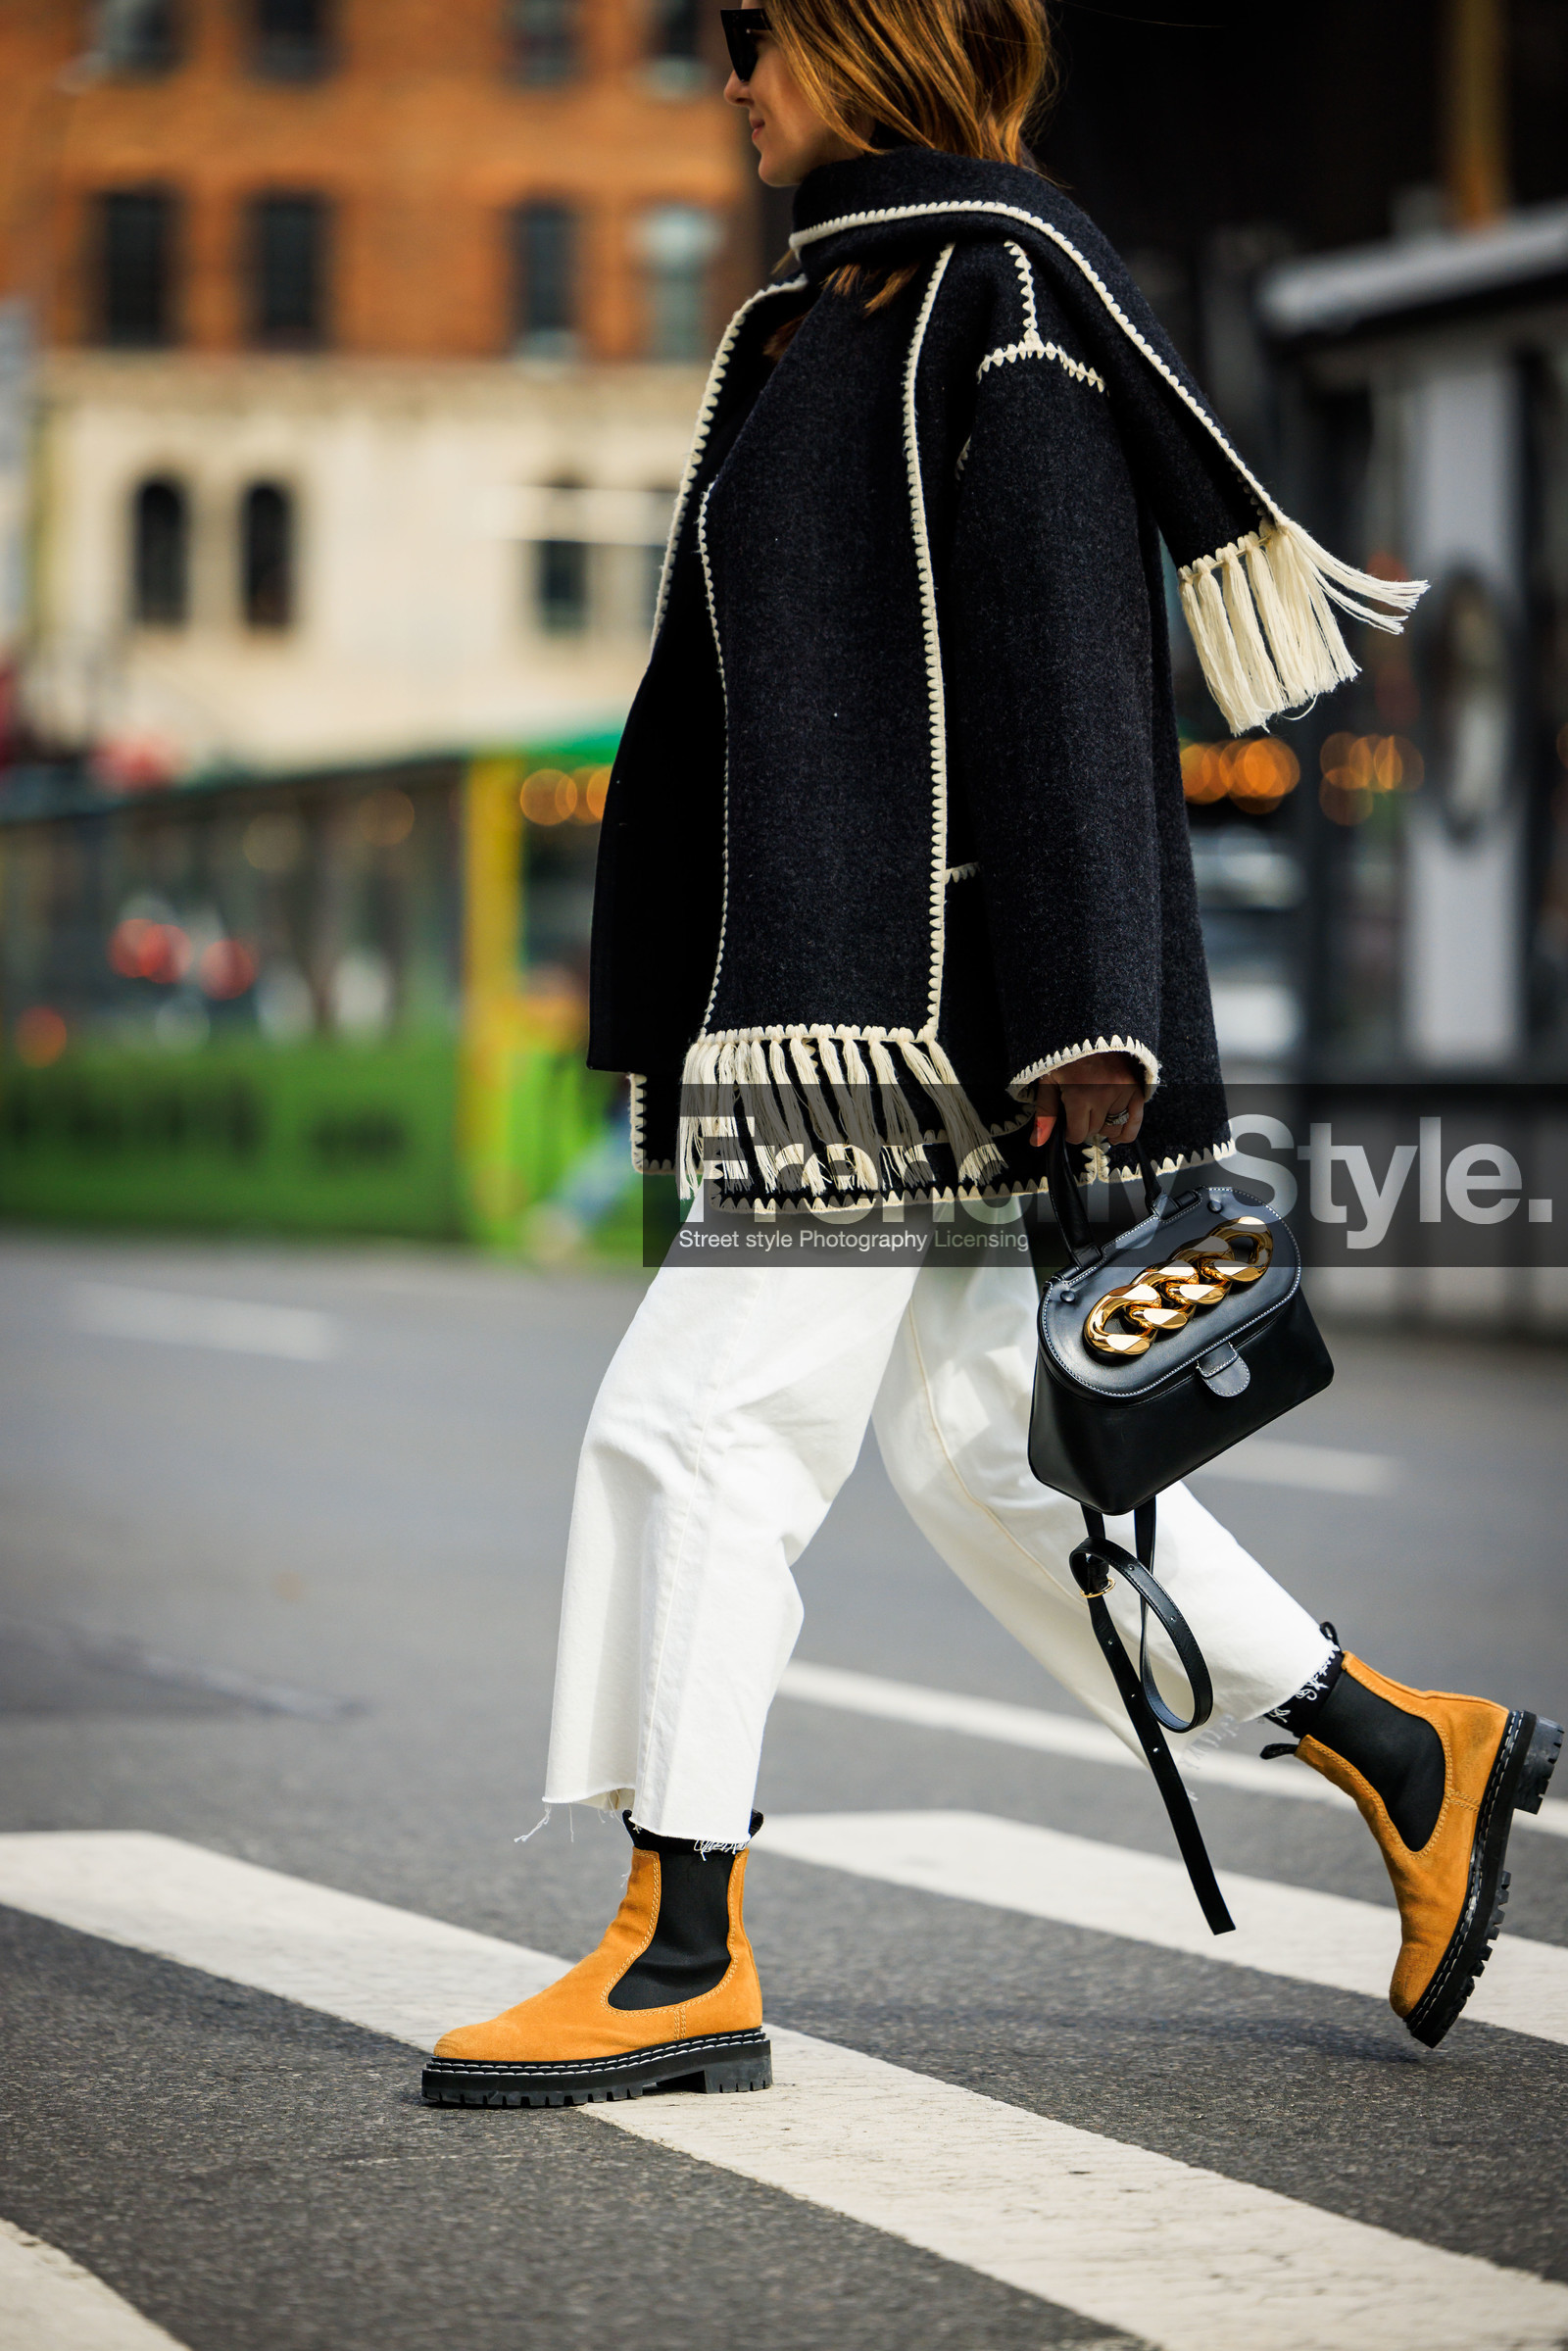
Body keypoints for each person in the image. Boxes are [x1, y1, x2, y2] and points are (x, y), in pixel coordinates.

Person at [424, 0, 1560, 2108]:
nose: (727, 75)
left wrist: (1094, 1034)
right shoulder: (828, 307)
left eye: (754, 35)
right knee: (989, 1461)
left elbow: (1061, 687)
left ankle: (681, 1948)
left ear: (864, 47)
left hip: (907, 1028)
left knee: (694, 1431)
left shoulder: (996, 294)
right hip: (830, 1003)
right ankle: (1409, 1755)